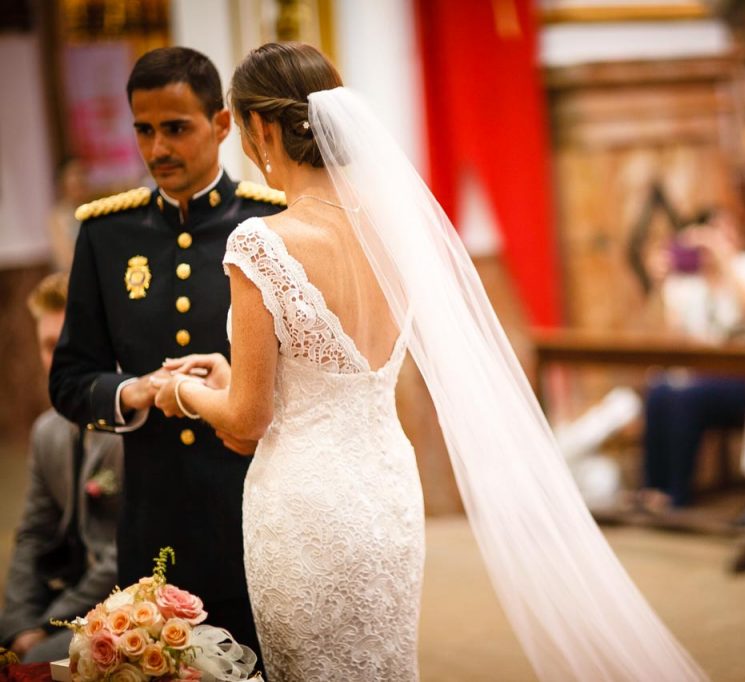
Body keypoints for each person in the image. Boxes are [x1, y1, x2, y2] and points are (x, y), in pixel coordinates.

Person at [153, 42, 706, 681]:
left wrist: (185, 394)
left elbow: (248, 418)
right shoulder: (393, 232)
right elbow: (326, 377)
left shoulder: (261, 241)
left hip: (304, 510)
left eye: (245, 133)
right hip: (386, 493)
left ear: (263, 128)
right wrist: (231, 378)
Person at [48, 47, 284, 662]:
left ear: (222, 125)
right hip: (155, 520)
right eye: (144, 130)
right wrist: (136, 391)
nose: (157, 149)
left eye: (176, 128)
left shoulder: (271, 226)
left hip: (255, 509)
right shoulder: (106, 235)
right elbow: (69, 379)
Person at [0, 274, 122, 663]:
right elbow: (33, 535)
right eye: (49, 346)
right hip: (63, 599)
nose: (59, 359)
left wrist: (46, 628)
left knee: (31, 664)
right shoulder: (46, 430)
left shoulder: (132, 428)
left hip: (125, 605)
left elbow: (121, 558)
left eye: (68, 343)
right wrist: (19, 625)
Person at [641, 208, 745, 509]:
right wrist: (659, 286)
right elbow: (668, 335)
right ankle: (652, 488)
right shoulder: (687, 279)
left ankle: (677, 492)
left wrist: (724, 262)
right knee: (660, 389)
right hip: (700, 373)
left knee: (685, 396)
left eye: (725, 233)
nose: (715, 241)